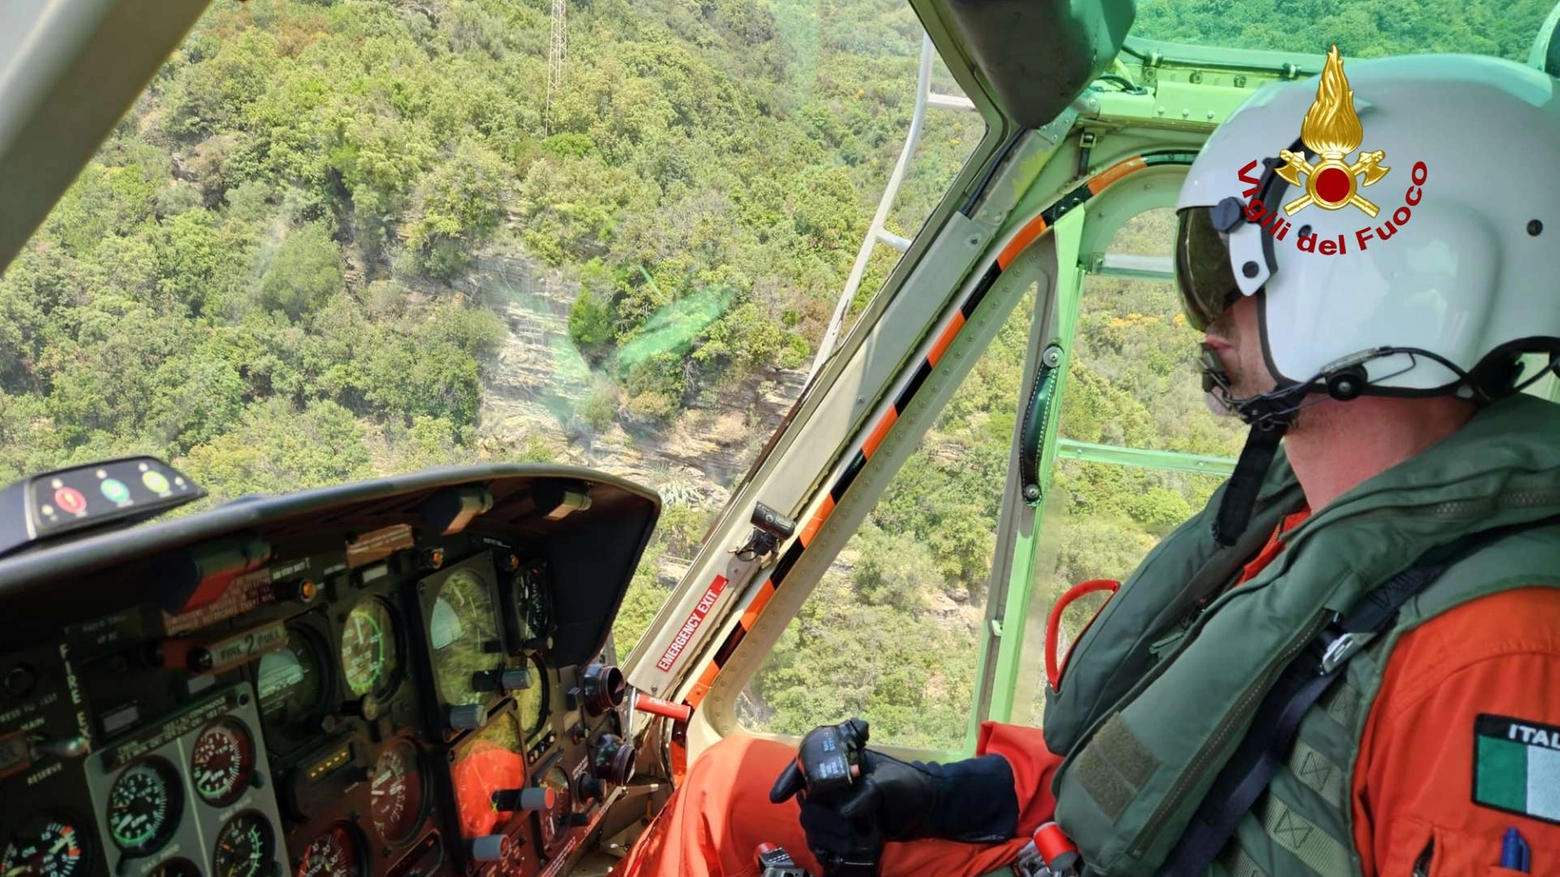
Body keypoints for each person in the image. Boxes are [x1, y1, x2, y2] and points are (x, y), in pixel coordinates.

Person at [614, 51, 1560, 877]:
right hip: (1065, 842)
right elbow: (1162, 775)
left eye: (1226, 269)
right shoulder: (1307, 521)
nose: (1208, 317)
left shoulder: (1501, 660)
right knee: (728, 792)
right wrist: (959, 793)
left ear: (1356, 290)